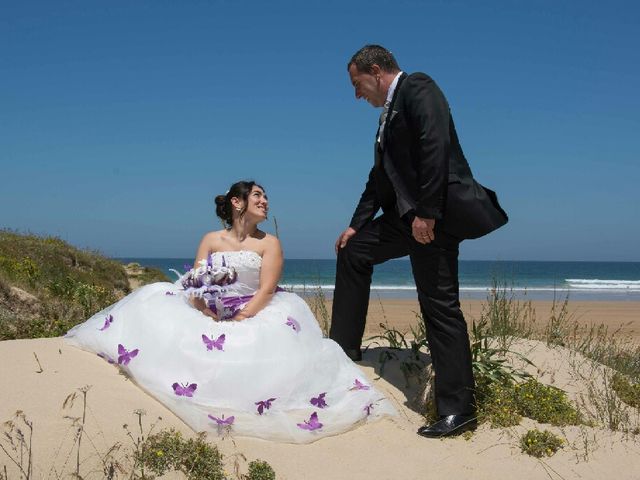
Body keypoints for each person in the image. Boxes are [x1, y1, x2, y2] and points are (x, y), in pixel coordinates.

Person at [65, 180, 395, 443]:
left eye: (266, 197)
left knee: (247, 347)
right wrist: (205, 309)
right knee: (151, 301)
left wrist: (241, 317)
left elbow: (266, 289)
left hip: (256, 307)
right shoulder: (211, 239)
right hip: (210, 305)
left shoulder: (269, 243)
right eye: (257, 196)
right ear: (237, 203)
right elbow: (196, 281)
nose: (265, 201)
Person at [330, 45, 508, 438]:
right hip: (405, 219)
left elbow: (435, 145)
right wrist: (356, 225)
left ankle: (459, 410)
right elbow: (379, 179)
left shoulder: (419, 87)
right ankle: (343, 350)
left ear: (375, 71)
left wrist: (427, 212)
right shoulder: (385, 117)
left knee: (440, 306)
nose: (357, 94)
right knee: (353, 251)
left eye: (357, 84)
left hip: (435, 217)